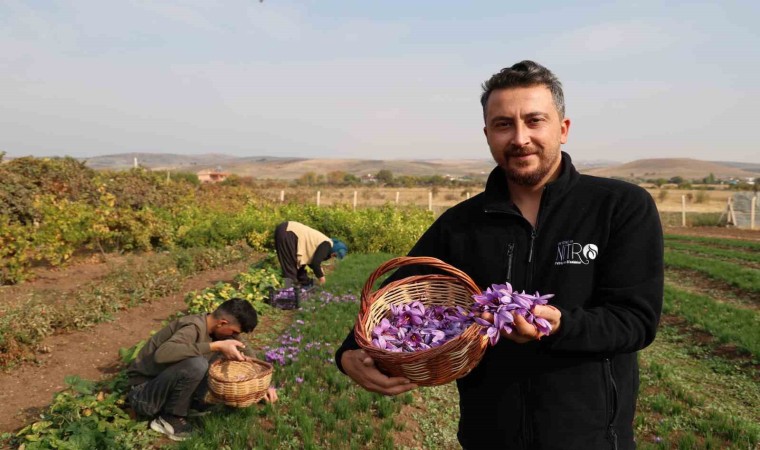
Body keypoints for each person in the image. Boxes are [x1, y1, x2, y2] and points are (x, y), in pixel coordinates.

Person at [335, 60, 664, 449]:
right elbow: (392, 296)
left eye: (534, 121)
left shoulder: (618, 206)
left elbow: (635, 320)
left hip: (590, 438)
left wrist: (558, 326)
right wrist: (349, 353)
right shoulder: (461, 224)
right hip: (488, 437)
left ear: (563, 129)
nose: (520, 138)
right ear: (488, 134)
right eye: (504, 124)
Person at [126, 298, 278, 442]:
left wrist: (263, 384)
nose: (235, 336)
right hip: (144, 394)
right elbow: (162, 354)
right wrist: (215, 346)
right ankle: (169, 418)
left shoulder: (219, 330)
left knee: (223, 353)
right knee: (197, 364)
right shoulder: (193, 327)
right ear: (222, 323)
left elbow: (245, 350)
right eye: (234, 332)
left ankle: (193, 403)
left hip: (164, 385)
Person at [274, 221, 347, 286]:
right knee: (290, 267)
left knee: (299, 269)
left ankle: (302, 286)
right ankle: (289, 291)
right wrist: (322, 278)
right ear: (334, 250)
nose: (333, 257)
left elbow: (311, 260)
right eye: (334, 255)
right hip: (289, 232)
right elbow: (315, 263)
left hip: (288, 232)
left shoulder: (324, 242)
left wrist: (319, 269)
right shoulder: (327, 244)